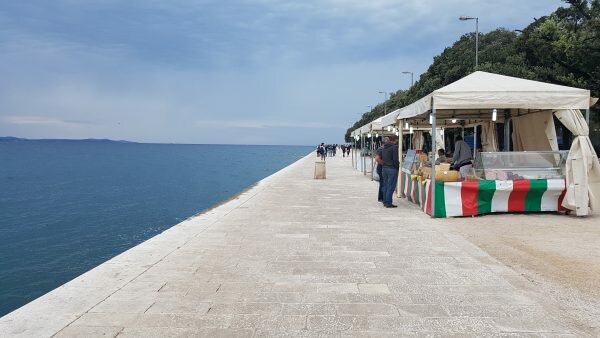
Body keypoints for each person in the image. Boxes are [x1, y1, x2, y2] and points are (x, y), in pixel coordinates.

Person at [381, 135, 399, 208]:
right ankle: (388, 203)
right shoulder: (394, 147)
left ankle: (385, 201)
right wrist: (397, 167)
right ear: (395, 140)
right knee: (391, 186)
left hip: (384, 168)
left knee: (385, 186)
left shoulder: (384, 147)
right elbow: (395, 159)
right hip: (392, 168)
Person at [374, 137, 388, 203]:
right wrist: (384, 163)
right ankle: (381, 198)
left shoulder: (382, 149)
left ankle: (382, 197)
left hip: (381, 168)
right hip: (380, 168)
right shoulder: (380, 149)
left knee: (382, 183)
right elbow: (377, 158)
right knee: (382, 183)